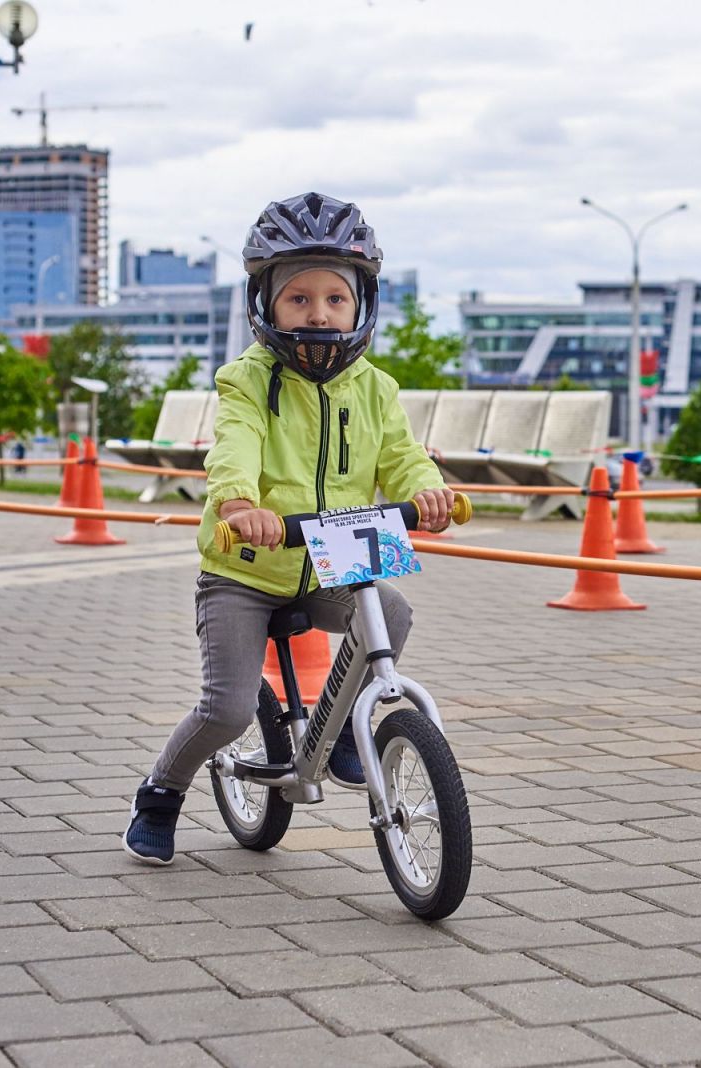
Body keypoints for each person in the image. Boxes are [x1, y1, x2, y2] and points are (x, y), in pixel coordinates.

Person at [123, 193, 453, 866]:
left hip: (332, 555)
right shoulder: (247, 379)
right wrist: (240, 503)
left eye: (335, 297)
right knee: (228, 708)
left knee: (390, 609)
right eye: (298, 299)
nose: (319, 313)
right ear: (265, 304)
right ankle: (161, 791)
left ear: (361, 303)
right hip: (246, 566)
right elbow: (233, 446)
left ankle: (337, 737)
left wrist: (428, 492)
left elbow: (401, 455)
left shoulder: (376, 387)